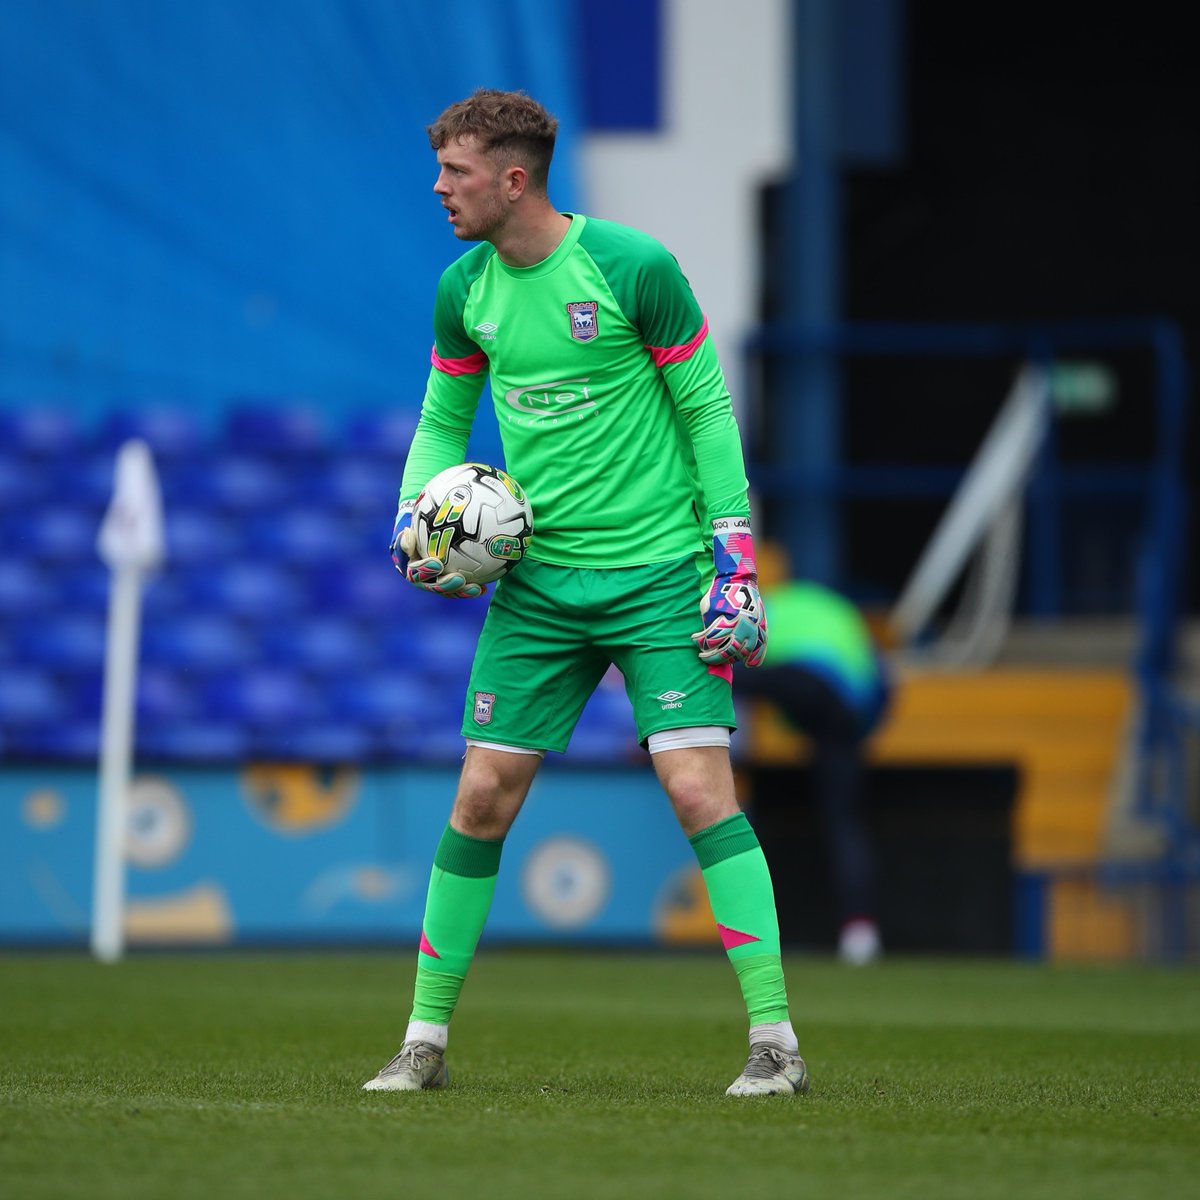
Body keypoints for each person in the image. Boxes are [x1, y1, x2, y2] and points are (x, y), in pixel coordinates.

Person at [361, 89, 806, 1098]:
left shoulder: (631, 267)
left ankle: (775, 1041)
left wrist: (735, 563)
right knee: (480, 798)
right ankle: (423, 1043)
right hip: (537, 587)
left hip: (660, 577)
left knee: (697, 791)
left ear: (513, 179)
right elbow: (442, 423)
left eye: (456, 173)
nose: (439, 189)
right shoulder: (463, 289)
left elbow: (706, 408)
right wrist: (411, 516)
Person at [735, 545, 892, 965]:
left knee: (718, 671)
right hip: (839, 707)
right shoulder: (836, 609)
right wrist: (855, 737)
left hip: (793, 676)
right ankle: (860, 932)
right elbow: (883, 687)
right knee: (843, 820)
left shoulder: (770, 605)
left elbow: (741, 644)